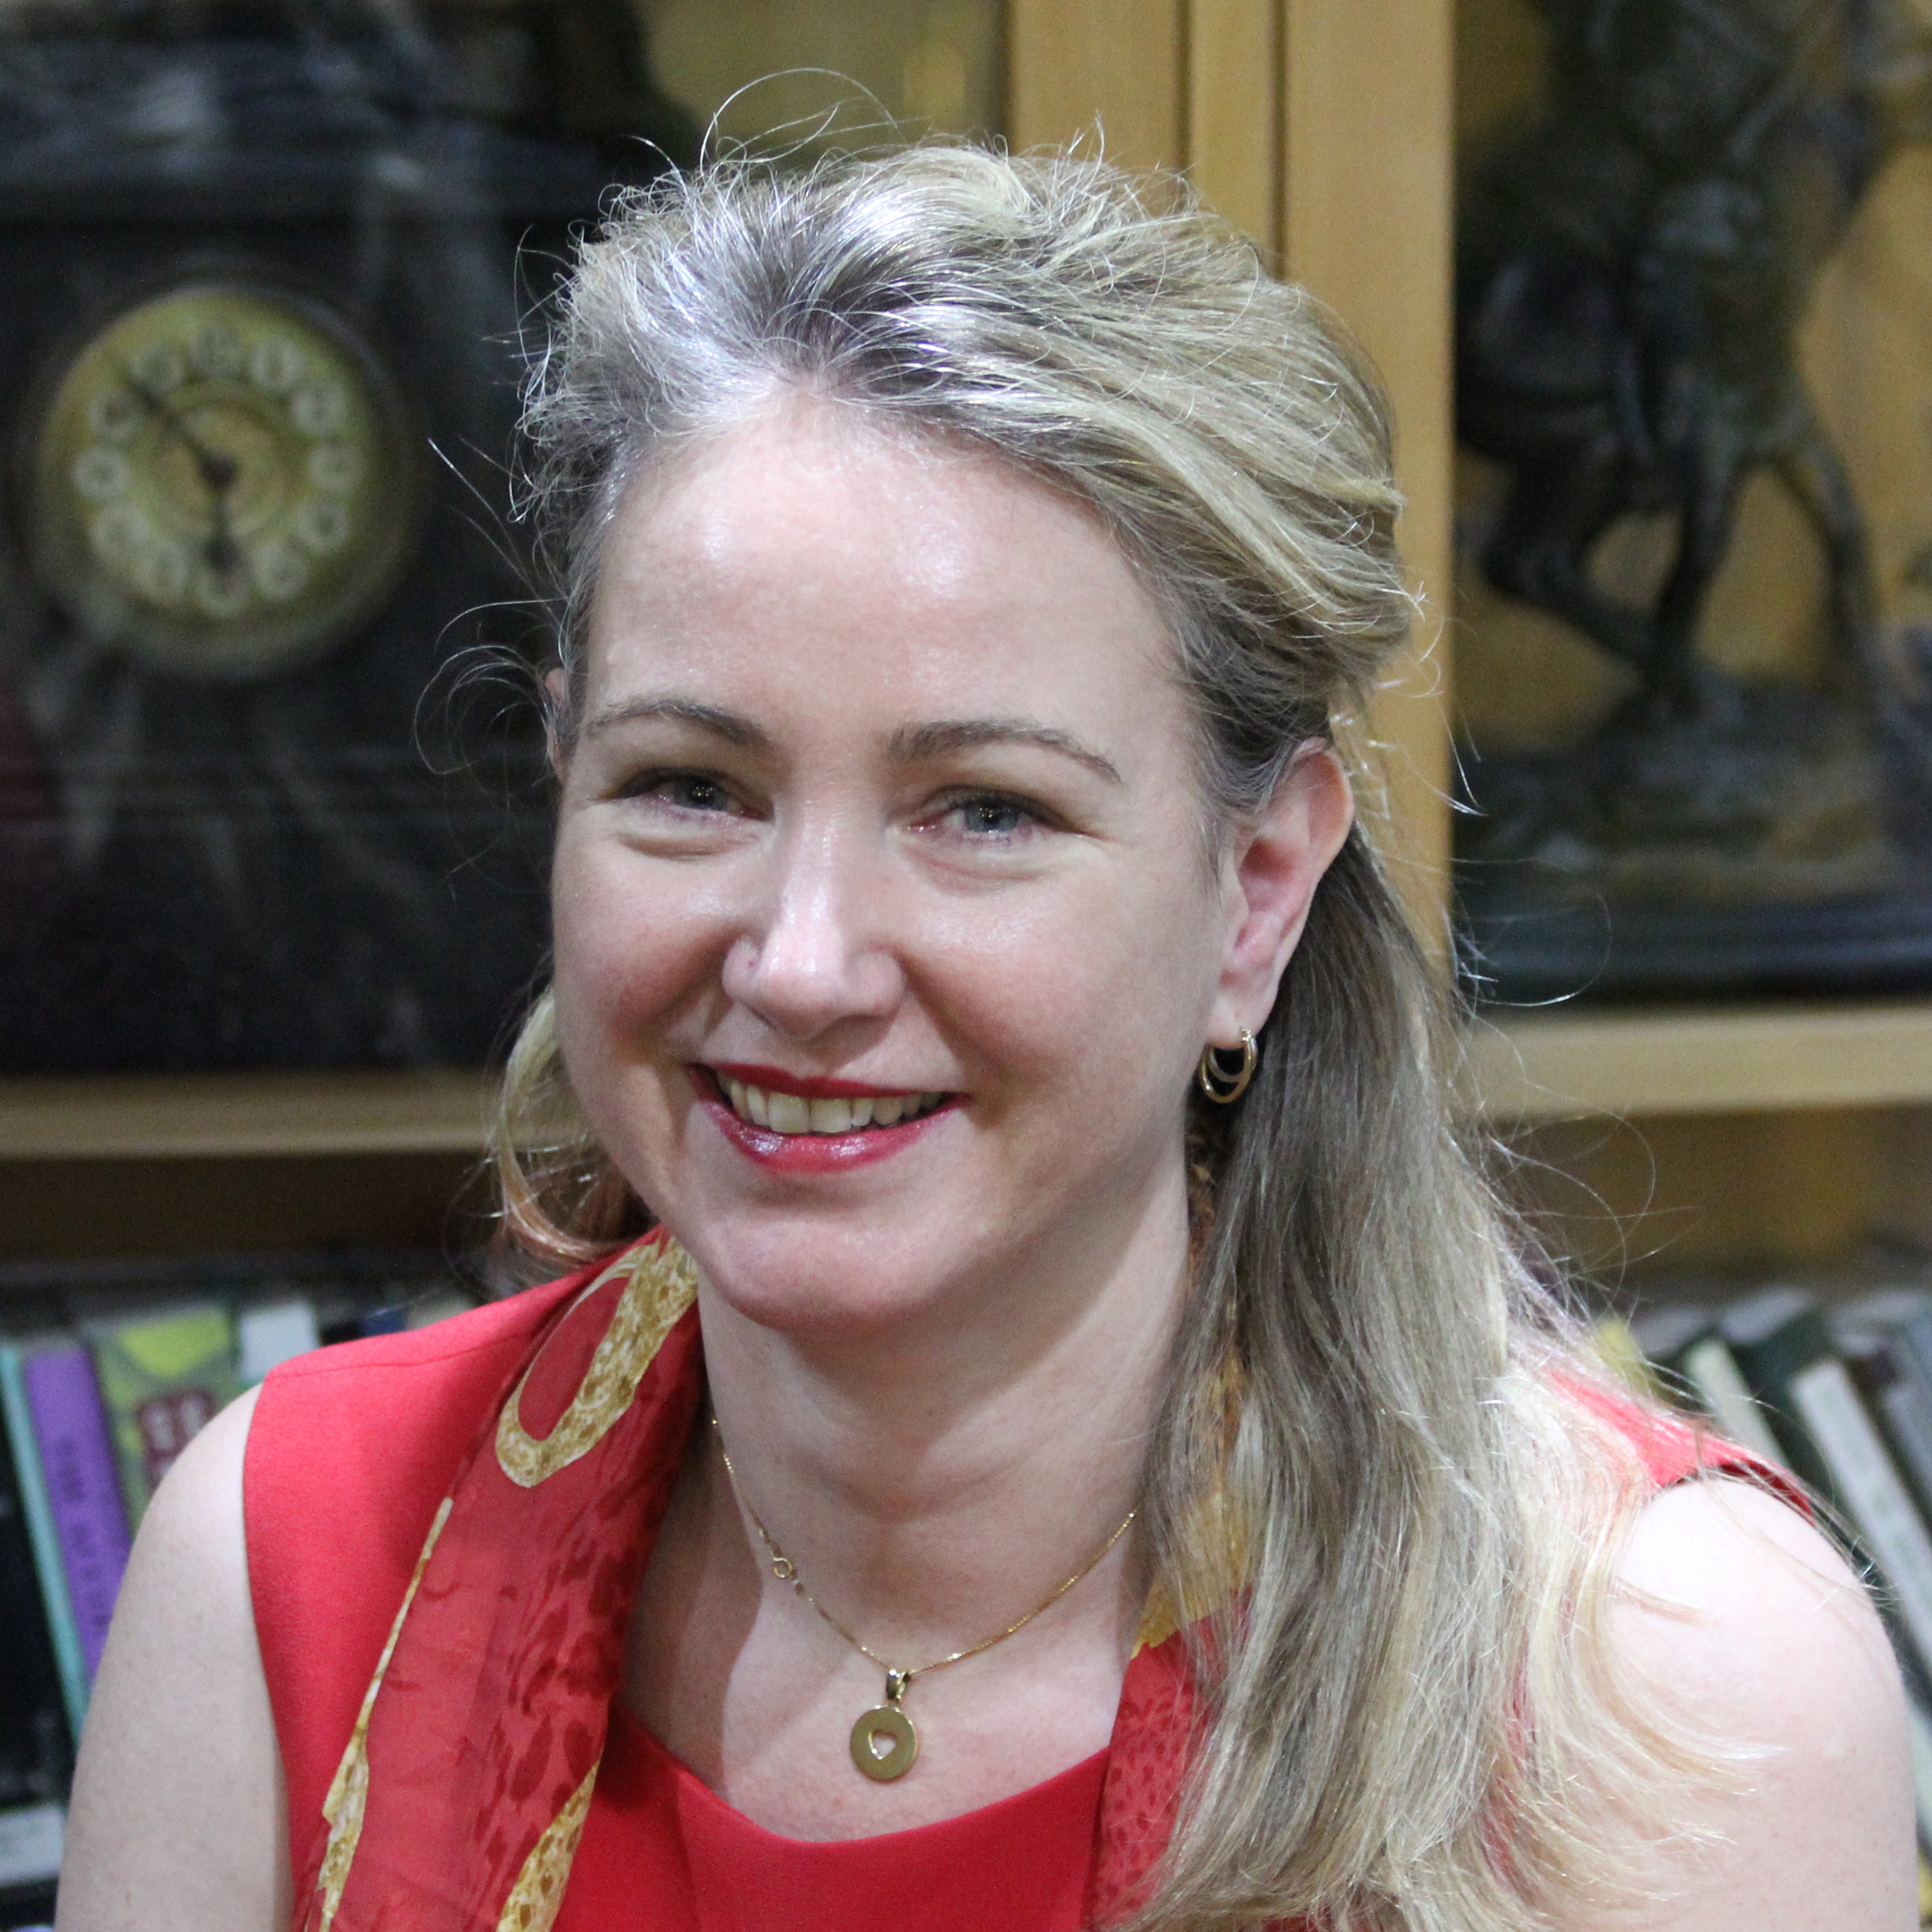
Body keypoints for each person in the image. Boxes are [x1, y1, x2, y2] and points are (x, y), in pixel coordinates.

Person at [57, 144, 1913, 1932]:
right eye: (689, 785)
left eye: (983, 810)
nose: (799, 963)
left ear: (1256, 890)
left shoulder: (1660, 1682)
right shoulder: (287, 1566)